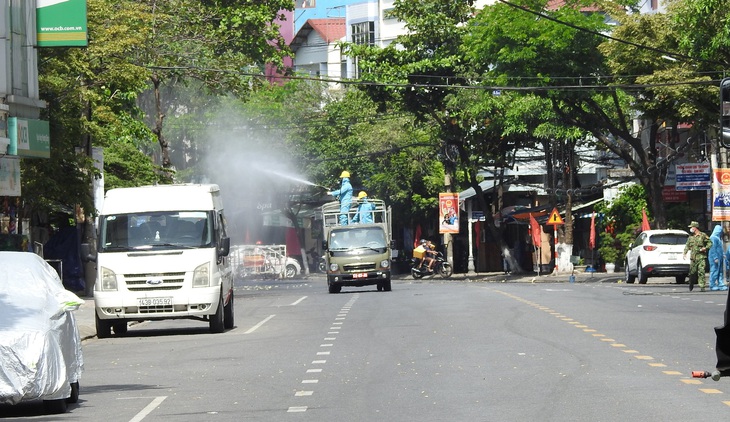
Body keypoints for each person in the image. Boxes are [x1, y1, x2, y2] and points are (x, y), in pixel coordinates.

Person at [684, 221, 712, 292]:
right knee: (692, 273)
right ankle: (691, 284)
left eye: (691, 227)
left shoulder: (702, 235)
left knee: (701, 271)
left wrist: (705, 248)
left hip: (701, 257)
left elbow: (710, 242)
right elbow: (687, 245)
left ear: (695, 228)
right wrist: (685, 253)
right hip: (693, 258)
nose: (691, 228)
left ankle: (702, 286)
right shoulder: (691, 237)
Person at [709, 225, 729, 291]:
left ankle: (721, 284)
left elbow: (720, 248)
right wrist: (715, 258)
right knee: (714, 271)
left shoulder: (718, 238)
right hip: (714, 258)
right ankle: (712, 284)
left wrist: (723, 254)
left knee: (720, 271)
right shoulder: (713, 238)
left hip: (720, 257)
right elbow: (712, 249)